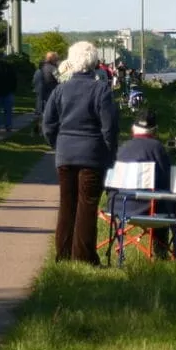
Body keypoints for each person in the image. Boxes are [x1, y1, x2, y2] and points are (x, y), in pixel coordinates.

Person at [43, 41, 119, 264]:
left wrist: (57, 144)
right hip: (92, 155)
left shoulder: (60, 90)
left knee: (67, 205)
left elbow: (48, 124)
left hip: (65, 153)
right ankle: (84, 256)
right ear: (94, 62)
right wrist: (109, 152)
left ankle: (64, 254)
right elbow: (109, 127)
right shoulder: (101, 89)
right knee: (87, 205)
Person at [108, 109, 175, 258]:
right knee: (166, 199)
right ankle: (166, 250)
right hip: (147, 209)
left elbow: (111, 183)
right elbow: (165, 180)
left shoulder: (122, 148)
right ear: (155, 130)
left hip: (118, 206)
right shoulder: (157, 148)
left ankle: (119, 248)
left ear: (133, 128)